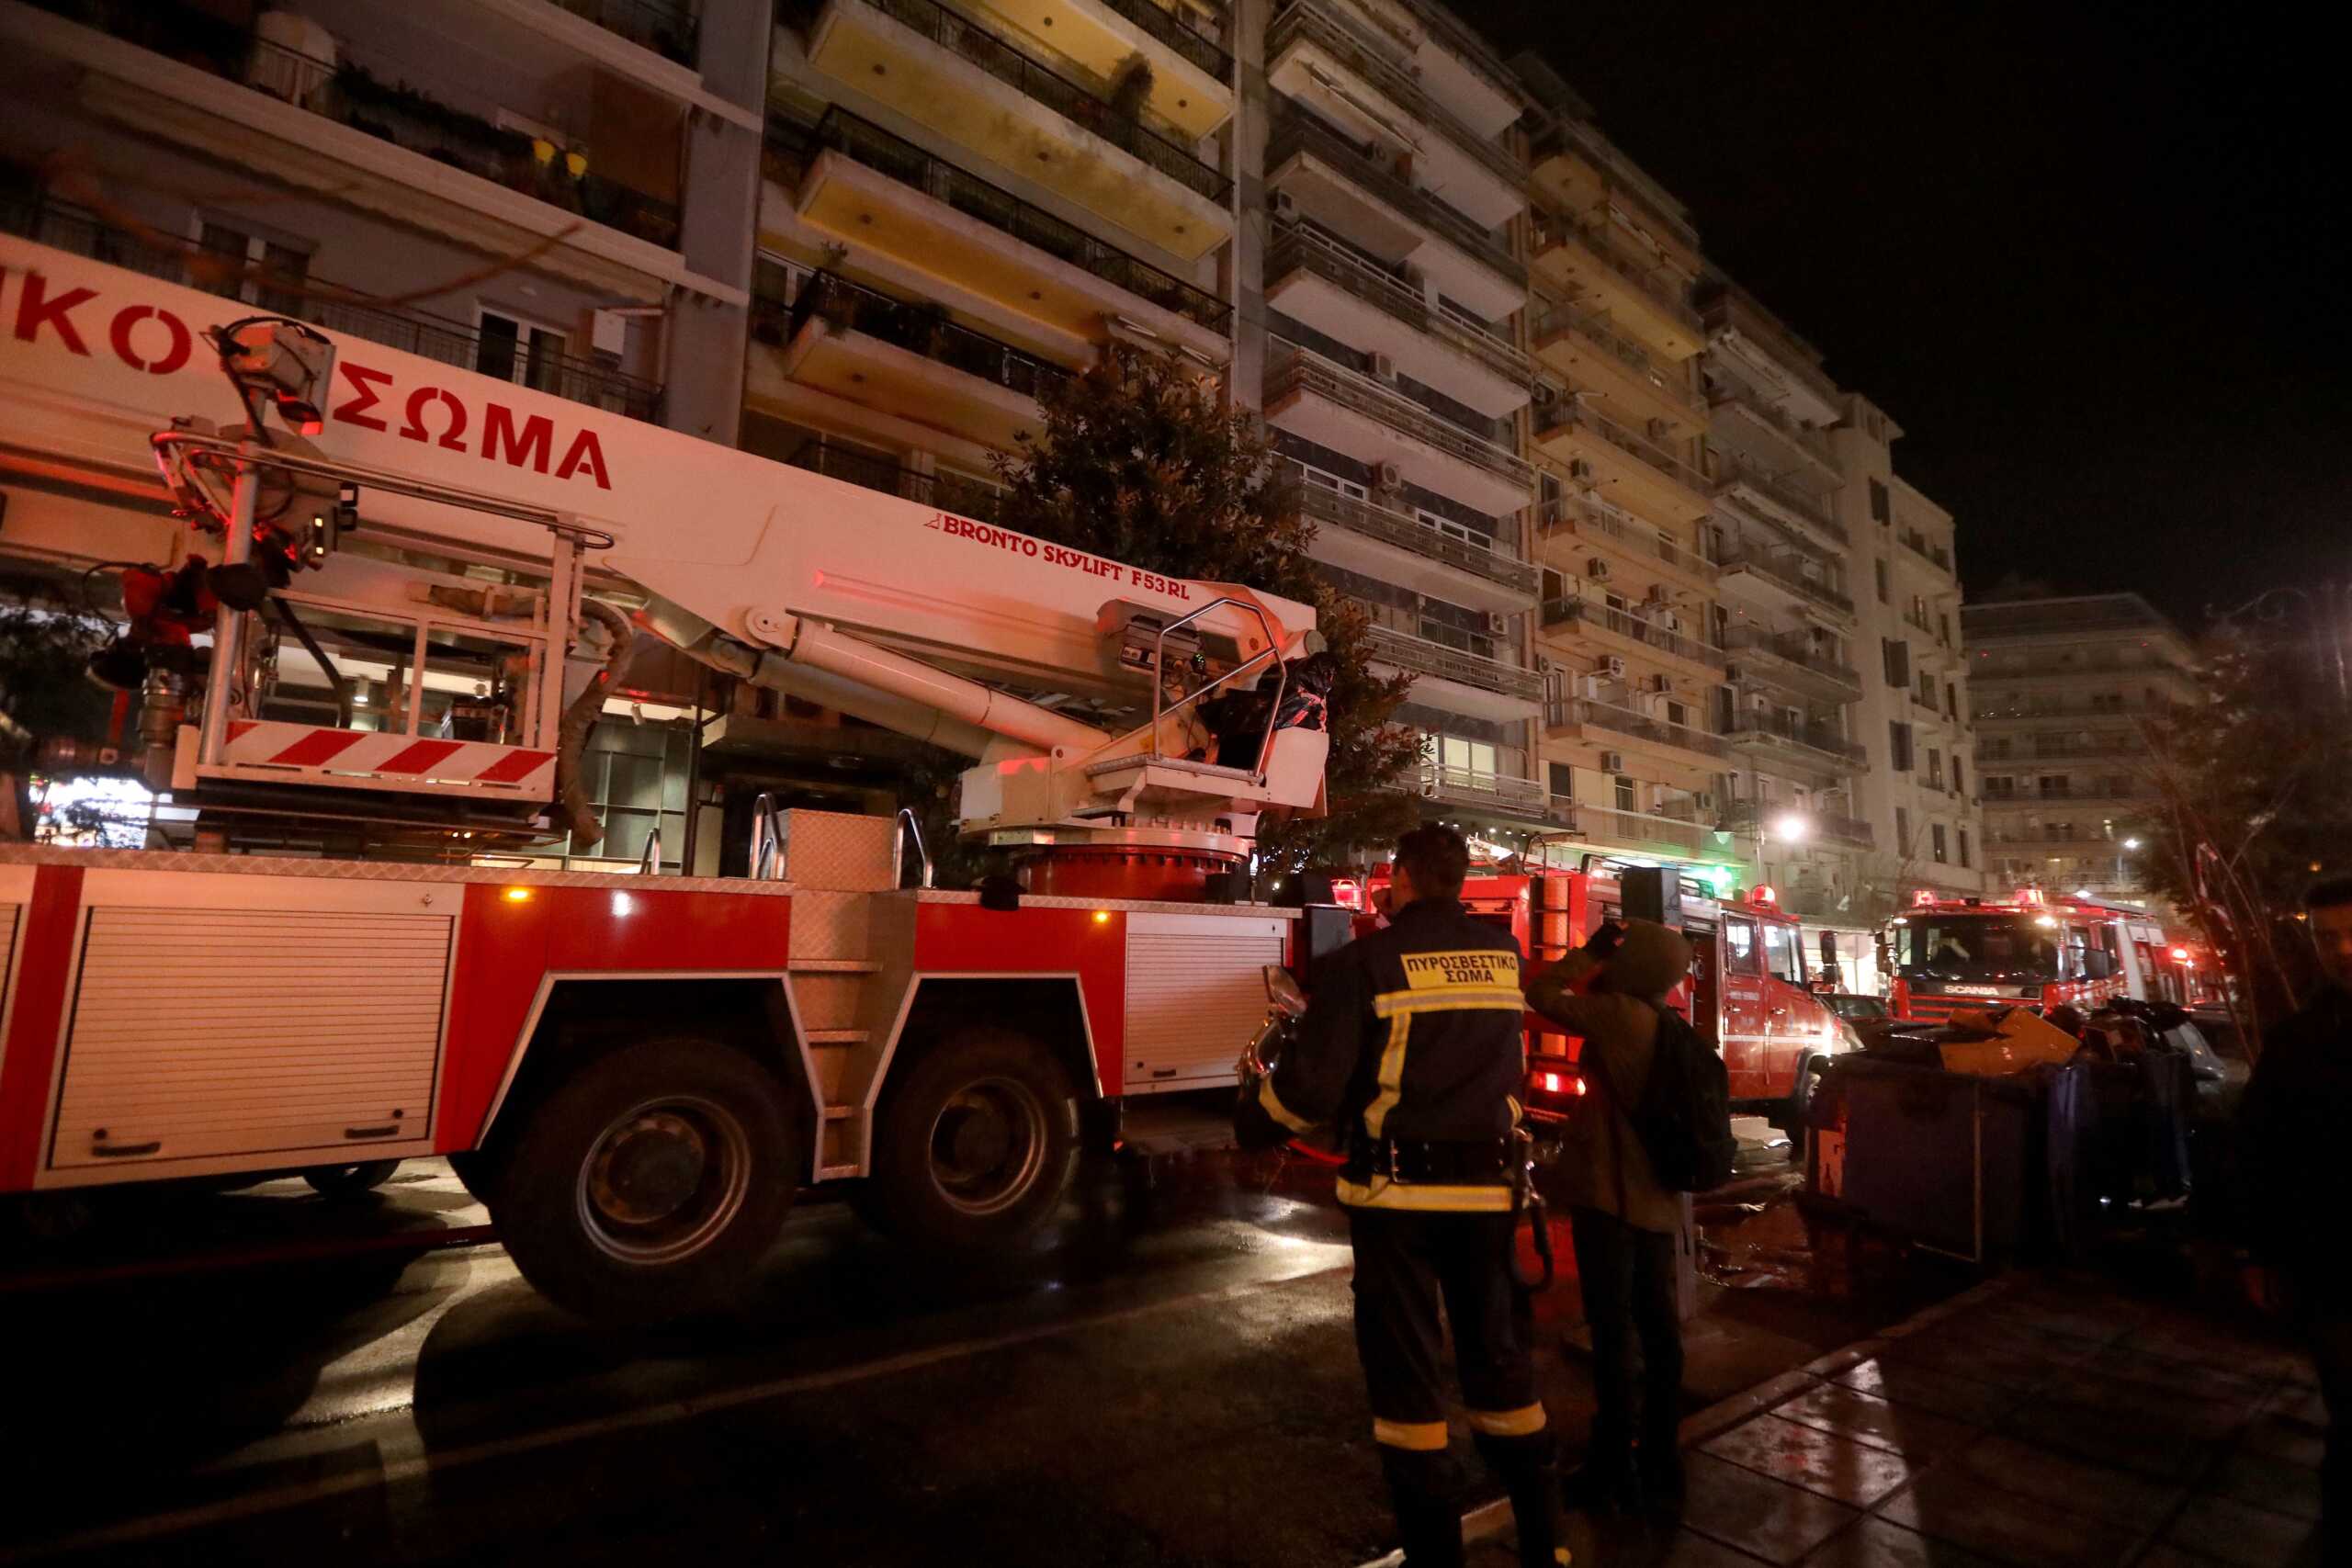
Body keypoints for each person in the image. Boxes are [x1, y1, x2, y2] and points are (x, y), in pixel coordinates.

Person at [1234, 826, 1561, 1568]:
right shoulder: (1502, 956)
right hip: (1486, 1197)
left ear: (1406, 878)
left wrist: (1255, 1115)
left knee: (1409, 1389)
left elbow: (1313, 1087)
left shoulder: (1363, 963)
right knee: (1501, 1371)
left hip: (1398, 1202)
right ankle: (1549, 1548)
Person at [1523, 918, 1695, 1514]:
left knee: (1613, 1330)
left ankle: (1610, 1463)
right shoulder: (1672, 1023)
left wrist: (1589, 952)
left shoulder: (1620, 1017)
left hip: (1610, 1200)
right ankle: (1660, 1455)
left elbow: (1541, 993)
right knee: (1659, 1329)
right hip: (1658, 1206)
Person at [2241, 875, 2352, 1559]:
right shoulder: (2301, 1038)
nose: (2342, 950)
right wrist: (2257, 1249)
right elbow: (2260, 1146)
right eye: (2326, 937)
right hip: (2334, 1261)